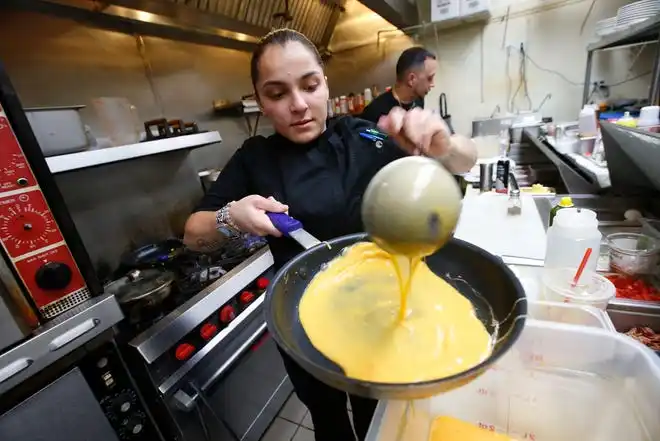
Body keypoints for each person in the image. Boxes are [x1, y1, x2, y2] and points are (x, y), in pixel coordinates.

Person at [183, 29, 477, 441]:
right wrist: (232, 216)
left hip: (380, 316)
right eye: (277, 93)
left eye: (309, 86)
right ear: (260, 100)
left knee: (378, 420)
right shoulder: (254, 159)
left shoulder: (364, 136)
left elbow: (464, 162)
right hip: (304, 328)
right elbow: (193, 234)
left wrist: (443, 143)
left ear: (325, 82)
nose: (299, 105)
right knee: (329, 423)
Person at [361, 46, 437, 123]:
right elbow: (364, 133)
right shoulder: (374, 111)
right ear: (411, 79)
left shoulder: (418, 100)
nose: (433, 84)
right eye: (429, 78)